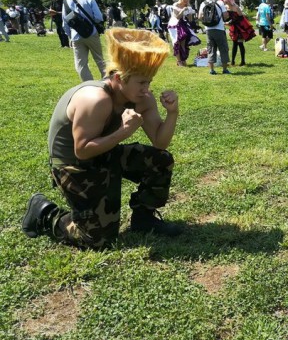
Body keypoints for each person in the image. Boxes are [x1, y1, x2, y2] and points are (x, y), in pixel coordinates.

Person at [22, 28, 182, 249]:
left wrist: (172, 113)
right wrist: (123, 132)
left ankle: (143, 219)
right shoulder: (95, 99)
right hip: (74, 164)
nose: (147, 89)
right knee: (99, 240)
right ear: (118, 78)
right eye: (141, 83)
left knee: (160, 160)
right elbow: (82, 150)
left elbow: (160, 143)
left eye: (149, 82)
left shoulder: (142, 98)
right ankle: (46, 214)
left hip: (105, 152)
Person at [62, 0, 106, 82]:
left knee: (81, 64)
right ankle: (107, 82)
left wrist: (70, 36)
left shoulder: (66, 2)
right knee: (100, 60)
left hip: (76, 35)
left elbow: (65, 22)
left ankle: (89, 85)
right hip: (92, 33)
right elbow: (99, 17)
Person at [198, 0, 230, 75]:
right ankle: (225, 69)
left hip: (208, 30)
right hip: (219, 29)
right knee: (223, 48)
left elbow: (199, 17)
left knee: (211, 49)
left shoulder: (203, 3)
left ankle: (212, 70)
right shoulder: (220, 2)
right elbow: (225, 16)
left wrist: (208, 21)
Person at [223, 0, 255, 67]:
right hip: (234, 27)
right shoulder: (226, 7)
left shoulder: (236, 7)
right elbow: (228, 18)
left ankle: (243, 61)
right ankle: (232, 61)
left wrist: (230, 22)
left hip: (241, 27)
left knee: (240, 44)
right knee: (234, 44)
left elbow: (240, 18)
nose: (224, 0)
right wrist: (228, 21)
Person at [168, 0, 200, 67]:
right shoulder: (176, 5)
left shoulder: (188, 6)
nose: (186, 0)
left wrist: (190, 12)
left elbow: (190, 19)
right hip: (174, 25)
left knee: (184, 43)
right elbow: (177, 17)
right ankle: (179, 61)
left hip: (183, 24)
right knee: (177, 42)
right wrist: (183, 10)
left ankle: (183, 60)